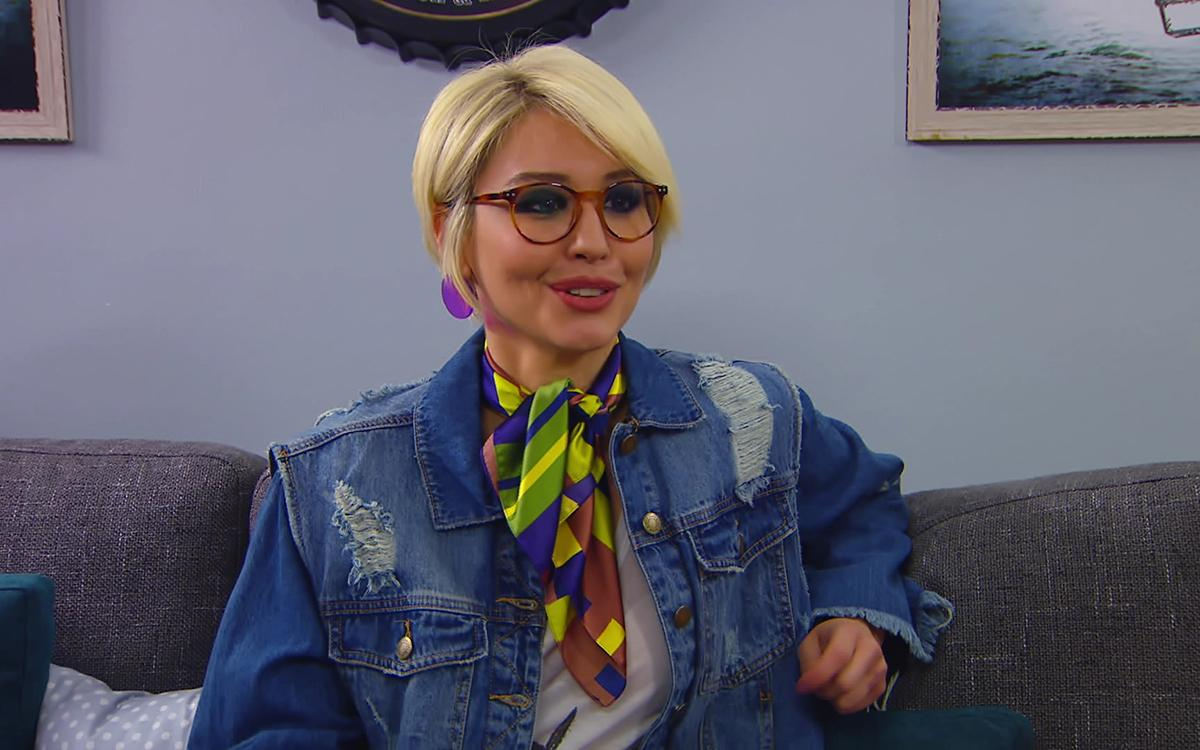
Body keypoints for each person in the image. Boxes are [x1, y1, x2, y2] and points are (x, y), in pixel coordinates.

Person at [188, 44, 952, 749]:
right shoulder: (332, 487)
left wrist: (856, 613)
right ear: (454, 230)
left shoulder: (752, 414)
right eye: (544, 203)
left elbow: (863, 507)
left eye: (623, 200)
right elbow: (265, 732)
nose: (594, 241)